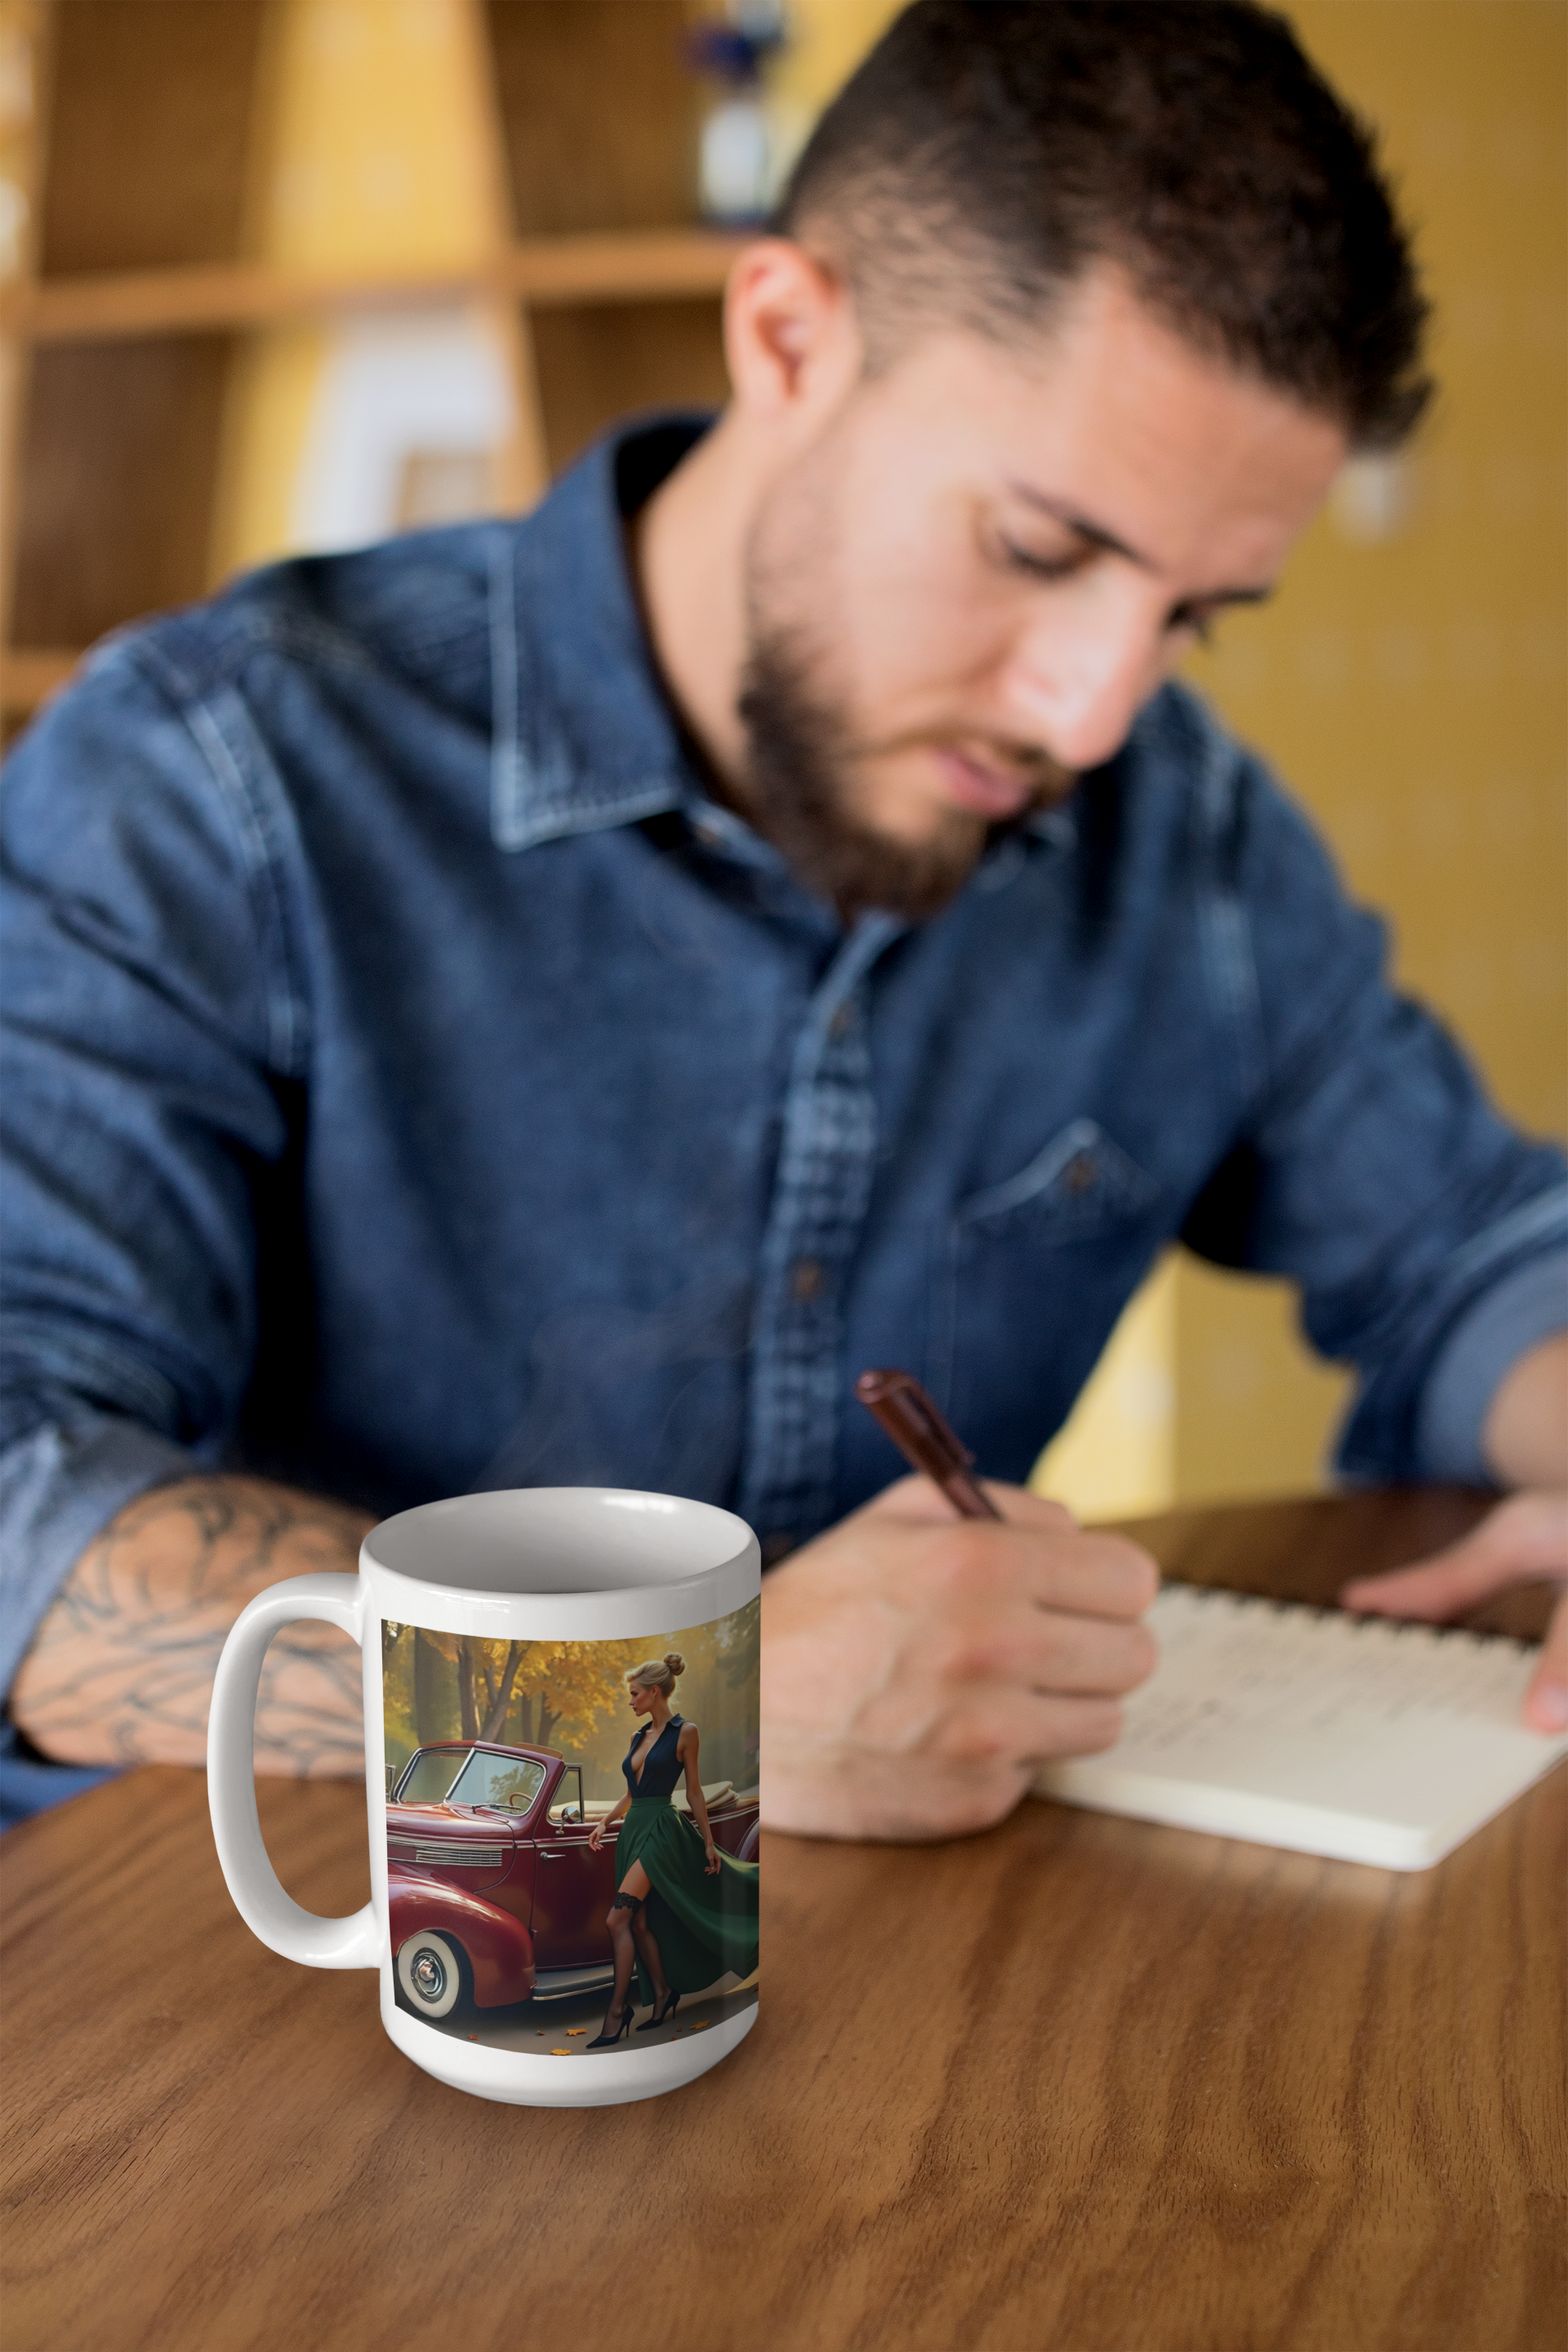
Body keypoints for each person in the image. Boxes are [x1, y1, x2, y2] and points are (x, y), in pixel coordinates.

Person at [1, 2, 1563, 1840]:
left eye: (1193, 616)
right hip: (270, 1988)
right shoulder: (216, 779)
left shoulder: (1184, 837)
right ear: (789, 336)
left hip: (881, 2000)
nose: (1092, 714)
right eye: (1043, 551)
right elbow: (20, 1492)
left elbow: (1474, 1247)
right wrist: (681, 1708)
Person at [584, 1652, 760, 2047]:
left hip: (662, 1830)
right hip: (634, 1829)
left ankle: (617, 2013)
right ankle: (663, 1993)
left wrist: (710, 1843)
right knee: (641, 1923)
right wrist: (604, 1821)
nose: (630, 1702)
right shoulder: (637, 1737)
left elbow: (694, 1790)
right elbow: (632, 1793)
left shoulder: (686, 1732)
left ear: (654, 1692)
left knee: (617, 1921)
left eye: (634, 1694)